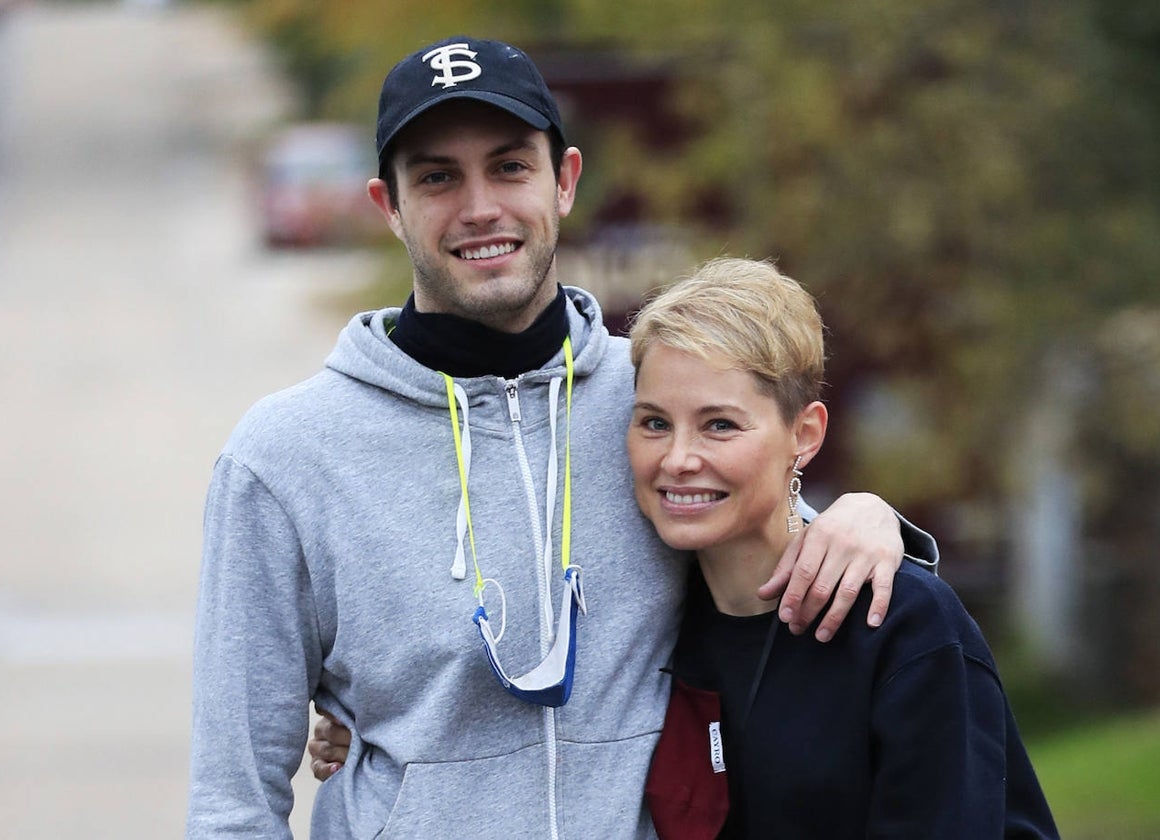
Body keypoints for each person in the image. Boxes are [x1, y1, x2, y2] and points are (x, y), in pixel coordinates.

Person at [186, 37, 938, 837]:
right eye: (438, 176)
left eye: (510, 167)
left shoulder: (653, 401)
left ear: (565, 181)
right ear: (389, 207)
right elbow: (234, 802)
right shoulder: (285, 457)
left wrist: (868, 517)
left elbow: (770, 544)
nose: (480, 207)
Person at [629, 257, 1058, 838]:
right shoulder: (651, 623)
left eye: (719, 425)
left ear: (803, 436)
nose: (677, 459)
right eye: (654, 423)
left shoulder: (903, 624)